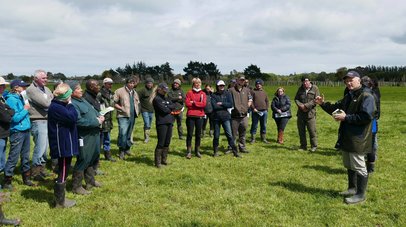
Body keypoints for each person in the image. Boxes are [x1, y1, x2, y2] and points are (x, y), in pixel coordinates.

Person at [315, 71, 375, 204]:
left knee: (359, 166)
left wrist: (346, 117)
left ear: (358, 80)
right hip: (347, 136)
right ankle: (352, 189)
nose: (348, 83)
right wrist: (323, 104)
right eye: (346, 81)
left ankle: (360, 195)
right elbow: (337, 108)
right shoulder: (349, 95)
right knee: (349, 164)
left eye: (351, 80)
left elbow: (366, 117)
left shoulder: (366, 96)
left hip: (358, 138)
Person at [69, 81, 104, 195]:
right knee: (83, 158)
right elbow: (78, 121)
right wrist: (96, 121)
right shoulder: (73, 104)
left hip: (93, 134)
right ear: (72, 92)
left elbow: (93, 111)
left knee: (93, 156)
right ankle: (76, 186)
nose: (81, 90)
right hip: (84, 136)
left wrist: (99, 115)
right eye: (78, 89)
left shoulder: (83, 100)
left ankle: (90, 181)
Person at [48, 83, 77, 208]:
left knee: (64, 168)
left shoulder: (60, 105)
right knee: (64, 169)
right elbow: (72, 117)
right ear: (65, 96)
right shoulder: (57, 107)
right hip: (62, 143)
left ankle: (61, 199)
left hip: (66, 141)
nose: (71, 96)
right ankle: (60, 202)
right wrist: (70, 105)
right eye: (69, 94)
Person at [3, 80, 35, 189]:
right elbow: (14, 118)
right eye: (23, 86)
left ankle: (26, 178)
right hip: (17, 131)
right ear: (16, 88)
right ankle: (7, 180)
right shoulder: (11, 100)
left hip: (25, 129)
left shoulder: (20, 98)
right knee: (14, 156)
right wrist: (26, 109)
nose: (25, 88)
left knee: (25, 156)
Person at [25, 69, 53, 181]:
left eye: (46, 78)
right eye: (43, 78)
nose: (46, 80)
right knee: (40, 146)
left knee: (45, 146)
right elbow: (46, 103)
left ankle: (42, 169)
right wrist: (50, 99)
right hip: (37, 120)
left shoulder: (46, 88)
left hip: (46, 119)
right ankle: (35, 172)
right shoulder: (31, 90)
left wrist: (50, 99)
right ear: (36, 79)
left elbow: (52, 100)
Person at [210, 80, 241, 157]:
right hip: (216, 118)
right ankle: (215, 152)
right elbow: (214, 106)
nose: (222, 87)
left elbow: (230, 104)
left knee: (229, 135)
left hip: (226, 117)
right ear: (217, 86)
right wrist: (224, 105)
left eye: (223, 85)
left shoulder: (228, 94)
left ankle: (235, 152)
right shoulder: (213, 95)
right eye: (220, 85)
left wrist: (222, 103)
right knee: (216, 135)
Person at [114, 76, 140, 160]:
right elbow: (113, 102)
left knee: (129, 133)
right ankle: (121, 151)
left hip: (132, 116)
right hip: (123, 116)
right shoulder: (119, 91)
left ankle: (127, 149)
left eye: (133, 83)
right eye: (130, 83)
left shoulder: (134, 92)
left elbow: (137, 103)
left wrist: (137, 111)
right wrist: (121, 108)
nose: (132, 84)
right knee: (123, 133)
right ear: (126, 83)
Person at [151, 83, 176, 167]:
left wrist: (168, 106)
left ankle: (164, 160)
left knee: (167, 142)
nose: (165, 92)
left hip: (169, 122)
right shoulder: (157, 99)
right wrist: (169, 107)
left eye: (166, 90)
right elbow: (164, 110)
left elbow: (173, 105)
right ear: (159, 89)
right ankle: (157, 162)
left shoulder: (166, 98)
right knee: (161, 142)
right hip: (161, 123)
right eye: (164, 90)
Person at [83, 79, 104, 175]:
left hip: (98, 124)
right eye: (97, 85)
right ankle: (91, 169)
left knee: (97, 148)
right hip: (92, 126)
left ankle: (95, 167)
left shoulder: (95, 96)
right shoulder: (86, 98)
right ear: (91, 87)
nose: (99, 87)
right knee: (92, 149)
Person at [294, 76, 320, 152]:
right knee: (301, 131)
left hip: (310, 114)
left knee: (312, 131)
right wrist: (301, 105)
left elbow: (317, 100)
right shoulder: (300, 89)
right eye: (303, 82)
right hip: (301, 114)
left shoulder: (315, 88)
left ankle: (314, 146)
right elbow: (296, 99)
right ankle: (303, 146)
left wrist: (306, 106)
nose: (305, 83)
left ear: (309, 81)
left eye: (306, 81)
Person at [361, 76, 380, 173]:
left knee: (365, 146)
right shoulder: (374, 93)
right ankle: (370, 168)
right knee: (371, 146)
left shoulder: (365, 94)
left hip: (367, 123)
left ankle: (366, 167)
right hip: (373, 122)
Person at [229, 75, 252, 153]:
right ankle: (231, 148)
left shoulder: (247, 90)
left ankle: (242, 147)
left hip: (244, 116)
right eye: (240, 80)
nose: (242, 81)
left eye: (243, 80)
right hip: (234, 116)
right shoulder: (231, 90)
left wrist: (248, 105)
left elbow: (250, 99)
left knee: (243, 133)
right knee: (233, 134)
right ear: (237, 80)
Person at [185, 77, 206, 159]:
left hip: (200, 116)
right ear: (193, 84)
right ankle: (189, 151)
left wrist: (193, 102)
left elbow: (203, 104)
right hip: (190, 116)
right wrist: (198, 104)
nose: (197, 85)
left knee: (198, 134)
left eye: (199, 83)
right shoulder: (189, 92)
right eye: (196, 83)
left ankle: (197, 151)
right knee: (189, 134)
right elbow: (187, 104)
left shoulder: (203, 94)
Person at [98, 78, 116, 162]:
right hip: (101, 119)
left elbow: (113, 104)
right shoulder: (99, 94)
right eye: (109, 84)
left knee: (107, 139)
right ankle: (96, 157)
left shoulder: (112, 94)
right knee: (99, 140)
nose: (110, 85)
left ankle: (107, 155)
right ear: (104, 84)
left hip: (109, 119)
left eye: (111, 84)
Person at [0, 77, 14, 178]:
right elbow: (6, 117)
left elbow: (11, 110)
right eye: (2, 85)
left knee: (2, 158)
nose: (4, 87)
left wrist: (7, 111)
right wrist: (7, 112)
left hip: (3, 133)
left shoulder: (2, 98)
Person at [249, 79, 270, 144]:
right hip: (256, 111)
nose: (258, 85)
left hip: (264, 112)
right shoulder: (252, 92)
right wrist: (253, 108)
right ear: (255, 85)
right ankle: (253, 139)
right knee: (254, 125)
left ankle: (263, 138)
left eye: (260, 84)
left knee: (263, 125)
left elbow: (267, 101)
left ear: (262, 85)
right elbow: (250, 101)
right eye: (257, 84)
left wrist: (266, 108)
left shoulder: (264, 92)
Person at [138, 77, 155, 143]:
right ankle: (146, 138)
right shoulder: (142, 90)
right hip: (144, 109)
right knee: (147, 123)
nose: (149, 84)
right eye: (148, 83)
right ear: (146, 84)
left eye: (151, 83)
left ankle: (147, 134)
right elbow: (136, 98)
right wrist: (139, 107)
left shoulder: (154, 91)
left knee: (149, 124)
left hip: (151, 110)